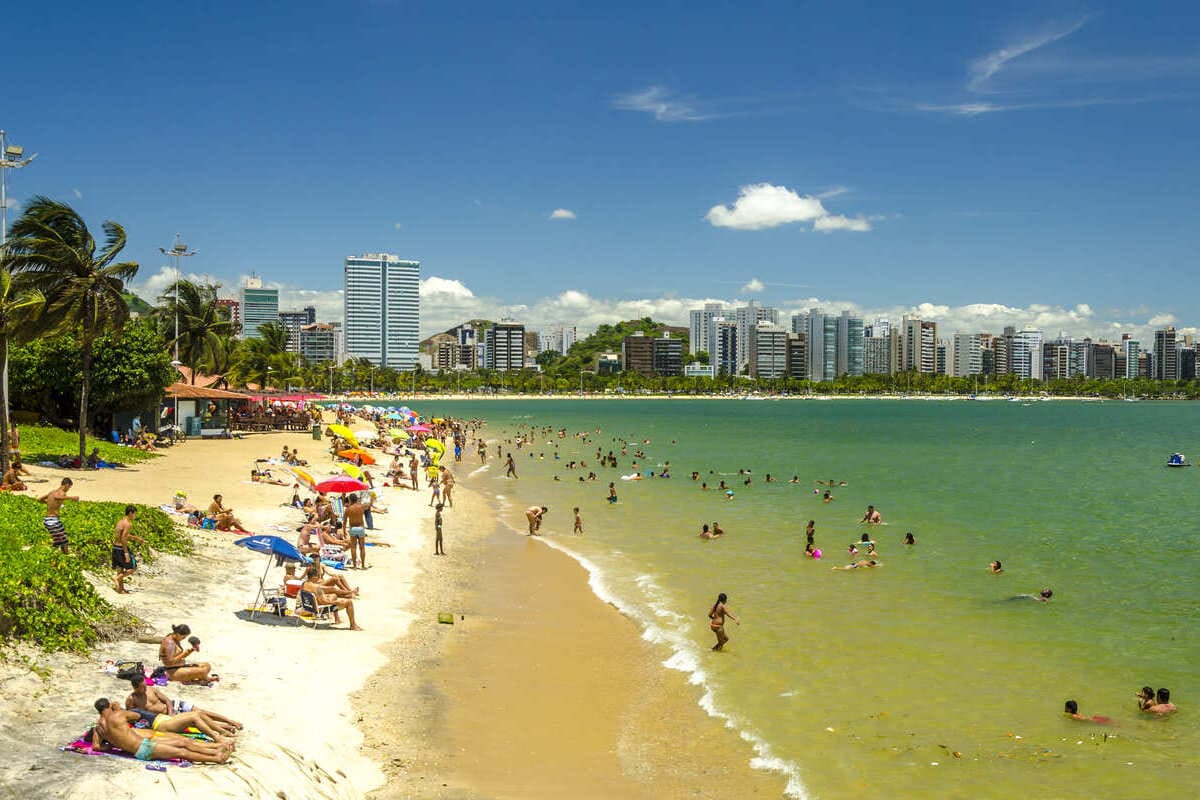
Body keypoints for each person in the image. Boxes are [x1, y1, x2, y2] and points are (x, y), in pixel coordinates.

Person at [91, 699, 232, 763]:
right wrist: (118, 709)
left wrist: (110, 744)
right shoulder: (118, 714)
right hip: (143, 748)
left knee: (183, 745)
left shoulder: (98, 728)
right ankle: (216, 757)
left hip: (140, 749)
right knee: (182, 750)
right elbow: (137, 716)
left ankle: (216, 750)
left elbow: (96, 747)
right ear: (109, 705)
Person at [124, 677, 238, 741]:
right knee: (196, 720)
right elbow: (133, 716)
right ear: (135, 687)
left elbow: (167, 700)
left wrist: (171, 713)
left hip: (172, 707)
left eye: (145, 685)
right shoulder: (131, 700)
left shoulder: (151, 689)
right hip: (163, 719)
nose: (145, 688)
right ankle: (226, 729)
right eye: (142, 687)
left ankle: (230, 722)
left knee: (201, 712)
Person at [302, 564, 362, 630]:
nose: (318, 579)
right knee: (349, 602)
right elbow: (324, 601)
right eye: (317, 577)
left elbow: (323, 595)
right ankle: (353, 625)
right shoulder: (317, 587)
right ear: (314, 577)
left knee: (333, 595)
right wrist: (335, 602)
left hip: (308, 607)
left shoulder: (304, 584)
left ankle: (338, 619)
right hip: (317, 609)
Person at [39, 478, 79, 553]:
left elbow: (40, 499)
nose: (68, 489)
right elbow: (57, 497)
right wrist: (71, 497)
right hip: (53, 521)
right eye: (69, 487)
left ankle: (59, 556)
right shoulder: (61, 493)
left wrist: (50, 504)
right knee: (64, 541)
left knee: (59, 541)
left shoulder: (52, 492)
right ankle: (66, 556)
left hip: (48, 520)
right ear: (66, 485)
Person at [112, 505, 144, 594]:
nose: (135, 516)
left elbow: (123, 535)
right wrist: (126, 552)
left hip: (115, 547)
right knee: (133, 568)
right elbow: (123, 539)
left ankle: (120, 589)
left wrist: (136, 538)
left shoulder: (120, 522)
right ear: (130, 513)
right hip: (122, 548)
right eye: (135, 514)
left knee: (120, 569)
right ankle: (117, 578)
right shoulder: (128, 524)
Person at [342, 493, 369, 569]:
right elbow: (368, 505)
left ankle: (354, 566)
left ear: (350, 500)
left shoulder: (348, 509)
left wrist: (344, 531)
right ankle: (363, 565)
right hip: (360, 528)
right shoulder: (361, 507)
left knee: (353, 547)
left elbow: (344, 522)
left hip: (353, 528)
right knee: (362, 547)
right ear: (357, 499)